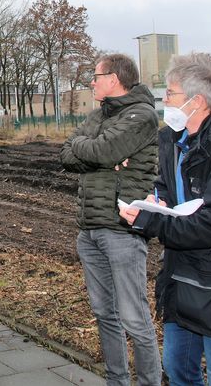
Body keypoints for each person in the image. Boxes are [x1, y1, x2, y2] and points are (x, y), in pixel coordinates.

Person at [119, 54, 211, 385]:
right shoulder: (172, 141)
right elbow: (167, 186)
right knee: (179, 370)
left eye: (170, 94)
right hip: (181, 278)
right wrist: (157, 201)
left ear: (197, 102)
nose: (164, 100)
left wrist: (151, 222)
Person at [60, 53, 162, 386]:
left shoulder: (142, 116)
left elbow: (102, 152)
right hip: (89, 231)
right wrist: (93, 150)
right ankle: (116, 381)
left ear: (114, 78)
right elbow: (66, 155)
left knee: (135, 319)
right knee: (105, 315)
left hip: (122, 230)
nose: (92, 81)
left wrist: (91, 150)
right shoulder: (97, 114)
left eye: (96, 75)